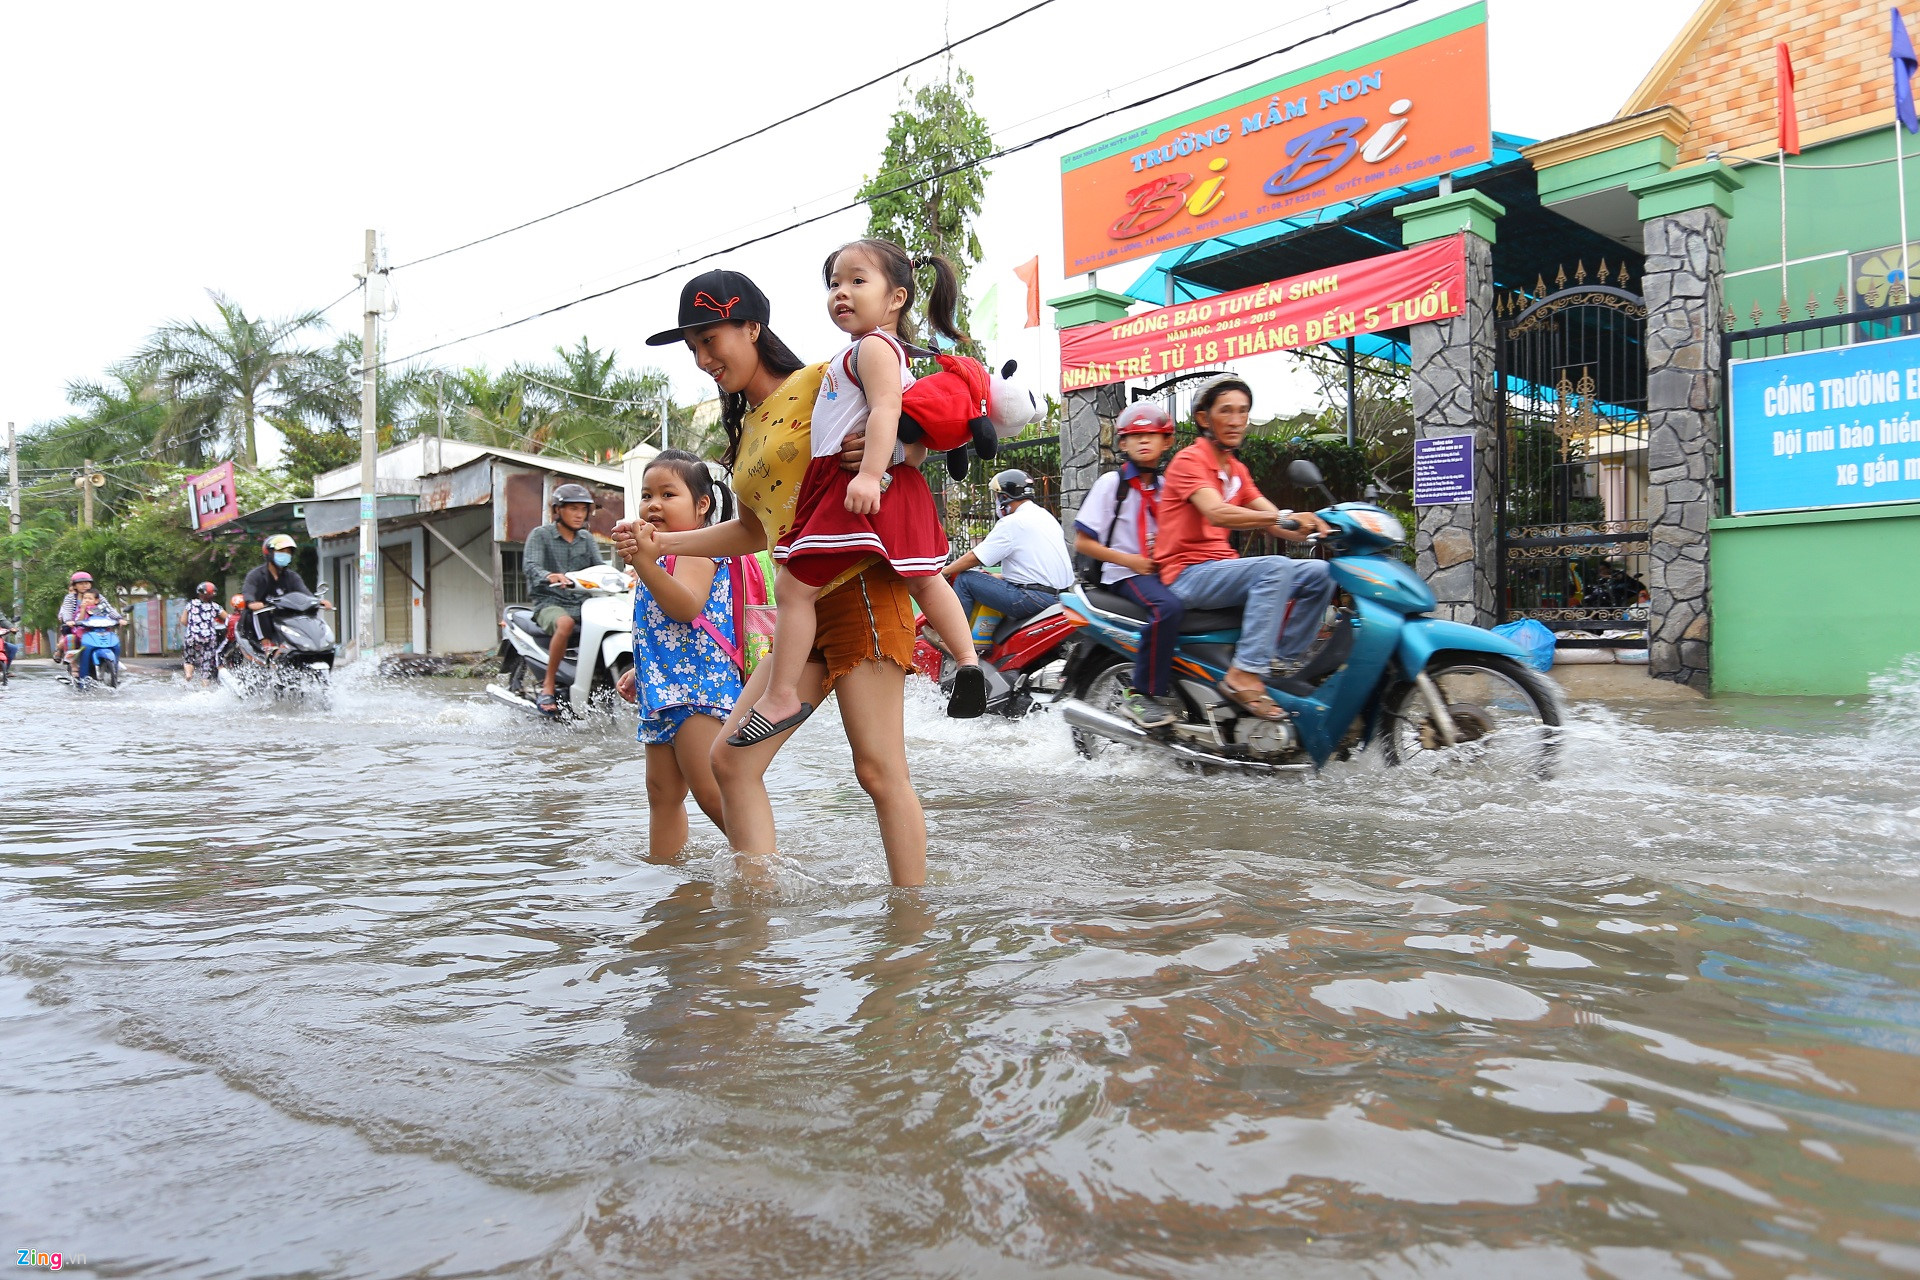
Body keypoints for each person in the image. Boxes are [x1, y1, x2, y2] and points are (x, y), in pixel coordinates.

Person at [620, 268, 929, 887]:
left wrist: (895, 449)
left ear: (752, 328)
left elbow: (916, 427)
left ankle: (912, 922)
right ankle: (756, 908)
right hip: (801, 615)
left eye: (711, 340)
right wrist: (662, 544)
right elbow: (752, 531)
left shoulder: (824, 382)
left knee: (878, 770)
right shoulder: (750, 427)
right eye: (694, 348)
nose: (703, 360)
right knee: (732, 762)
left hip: (861, 590)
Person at [737, 238, 985, 747]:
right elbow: (904, 426)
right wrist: (890, 463)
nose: (841, 293)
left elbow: (888, 409)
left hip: (856, 483)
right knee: (924, 578)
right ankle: (968, 660)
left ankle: (780, 695)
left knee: (793, 588)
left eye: (856, 281)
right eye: (834, 284)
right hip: (892, 484)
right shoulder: (873, 350)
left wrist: (870, 474)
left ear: (897, 298)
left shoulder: (872, 348)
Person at [1154, 373, 1334, 723]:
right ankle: (1244, 673)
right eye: (1226, 411)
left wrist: (1322, 526)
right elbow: (1217, 512)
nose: (1236, 420)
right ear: (1204, 418)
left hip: (1219, 569)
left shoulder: (1236, 469)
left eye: (1243, 411)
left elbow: (1276, 521)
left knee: (1321, 573)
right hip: (1186, 574)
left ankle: (1280, 663)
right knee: (1275, 567)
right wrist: (1284, 519)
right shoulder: (1190, 461)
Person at [623, 450, 744, 861]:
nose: (653, 504)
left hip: (698, 691)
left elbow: (686, 608)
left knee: (710, 791)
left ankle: (764, 863)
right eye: (646, 495)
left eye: (668, 494)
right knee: (662, 793)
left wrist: (644, 562)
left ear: (702, 505)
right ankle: (666, 871)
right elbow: (660, 627)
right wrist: (640, 670)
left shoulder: (698, 549)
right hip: (662, 691)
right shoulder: (659, 557)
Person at [1071, 403, 1184, 728]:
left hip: (1158, 572)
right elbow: (1083, 542)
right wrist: (1132, 561)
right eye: (1135, 436)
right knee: (1167, 608)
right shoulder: (1112, 484)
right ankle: (1141, 695)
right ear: (1123, 443)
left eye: (1152, 435)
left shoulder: (1164, 488)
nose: (1144, 441)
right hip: (1124, 573)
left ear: (1166, 442)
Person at [943, 468, 1076, 645]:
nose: (997, 501)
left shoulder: (1012, 522)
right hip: (1059, 596)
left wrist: (945, 571)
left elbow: (976, 557)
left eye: (997, 496)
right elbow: (1033, 563)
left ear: (1005, 497)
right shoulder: (1045, 516)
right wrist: (1000, 576)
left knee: (965, 580)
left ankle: (953, 643)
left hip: (1032, 598)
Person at [521, 483, 602, 717]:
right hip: (550, 602)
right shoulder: (541, 535)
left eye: (583, 509)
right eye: (573, 508)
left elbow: (599, 568)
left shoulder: (586, 538)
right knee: (565, 623)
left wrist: (625, 575)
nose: (579, 514)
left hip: (582, 603)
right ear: (558, 510)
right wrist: (549, 575)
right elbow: (531, 565)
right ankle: (548, 686)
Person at [242, 534, 312, 648]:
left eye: (288, 552)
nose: (285, 554)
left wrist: (316, 601)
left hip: (284, 615)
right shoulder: (255, 575)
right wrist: (252, 602)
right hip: (260, 618)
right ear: (269, 553)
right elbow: (248, 591)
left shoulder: (292, 577)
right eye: (281, 551)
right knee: (260, 612)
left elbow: (304, 591)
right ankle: (267, 646)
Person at [72, 590, 123, 682]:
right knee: (82, 647)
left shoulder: (101, 609)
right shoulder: (81, 609)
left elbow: (110, 616)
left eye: (90, 598)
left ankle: (115, 671)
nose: (87, 600)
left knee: (116, 645)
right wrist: (83, 610)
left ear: (96, 600)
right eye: (85, 598)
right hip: (85, 633)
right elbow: (78, 620)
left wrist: (120, 620)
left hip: (103, 632)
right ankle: (81, 671)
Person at [179, 582, 226, 681]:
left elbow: (183, 620)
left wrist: (194, 628)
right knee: (206, 665)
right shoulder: (215, 606)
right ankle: (205, 685)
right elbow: (228, 619)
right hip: (209, 638)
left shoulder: (191, 604)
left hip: (192, 636)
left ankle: (188, 675)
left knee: (189, 660)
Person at [56, 570, 94, 675]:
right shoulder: (70, 598)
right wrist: (69, 620)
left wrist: (118, 618)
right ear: (75, 586)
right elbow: (66, 611)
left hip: (94, 627)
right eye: (81, 583)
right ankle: (74, 665)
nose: (84, 586)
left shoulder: (98, 596)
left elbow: (108, 609)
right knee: (69, 638)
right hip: (76, 628)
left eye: (87, 583)